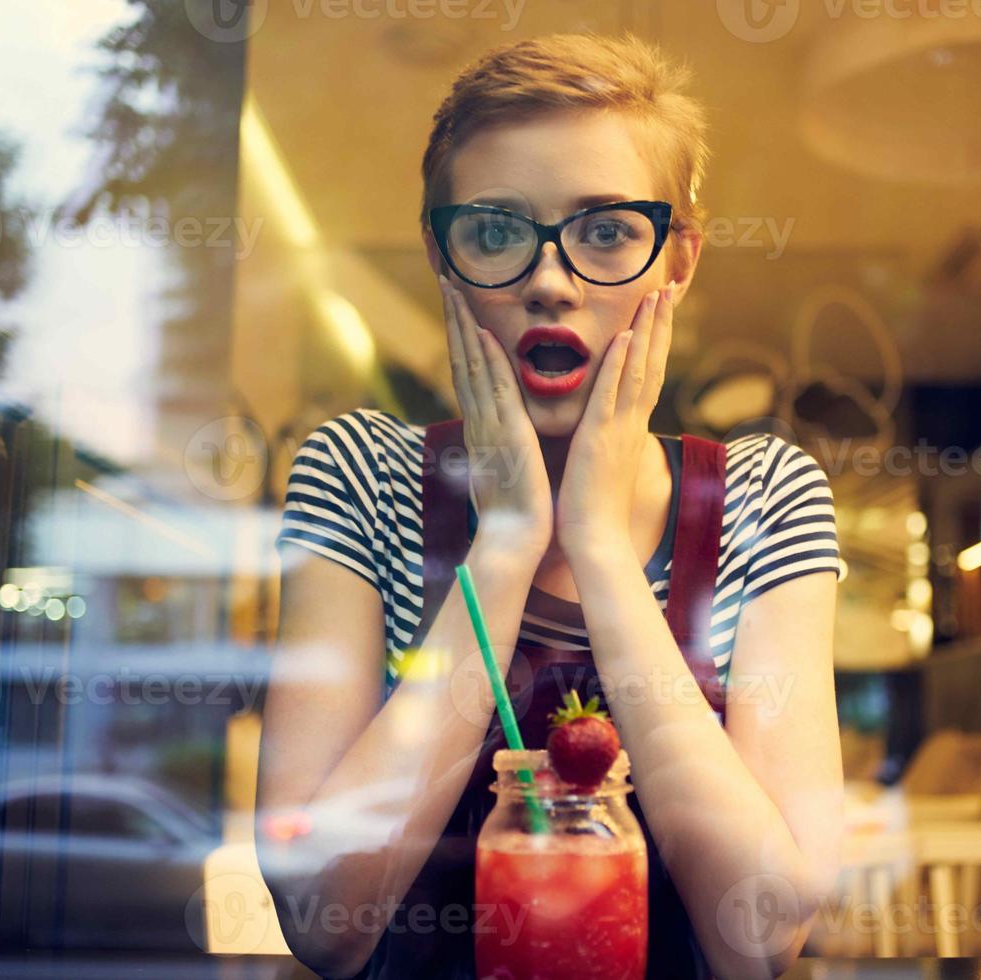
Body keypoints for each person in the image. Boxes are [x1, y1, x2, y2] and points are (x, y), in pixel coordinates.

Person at [256, 31, 845, 980]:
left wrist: (603, 553)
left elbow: (763, 936)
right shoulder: (359, 472)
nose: (548, 280)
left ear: (677, 261)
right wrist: (509, 545)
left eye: (607, 230)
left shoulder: (765, 495)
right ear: (443, 260)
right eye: (493, 230)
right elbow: (324, 920)